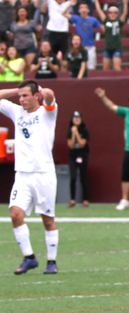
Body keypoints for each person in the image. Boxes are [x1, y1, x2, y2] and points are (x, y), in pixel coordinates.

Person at [0, 80, 60, 275]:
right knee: (15, 215)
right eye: (20, 96)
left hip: (44, 173)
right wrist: (17, 90)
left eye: (25, 95)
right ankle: (29, 257)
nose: (21, 99)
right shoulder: (17, 112)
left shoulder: (47, 112)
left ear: (36, 95)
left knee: (47, 219)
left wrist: (41, 90)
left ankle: (51, 261)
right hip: (23, 174)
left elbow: (50, 96)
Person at [94, 87, 129, 210]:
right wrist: (103, 97)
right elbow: (112, 107)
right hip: (128, 149)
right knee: (126, 176)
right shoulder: (127, 112)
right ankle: (125, 200)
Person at [65, 0, 103, 70]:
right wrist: (70, 4)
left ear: (88, 10)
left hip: (90, 46)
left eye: (85, 7)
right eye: (81, 8)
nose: (83, 9)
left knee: (91, 67)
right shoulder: (76, 18)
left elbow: (102, 28)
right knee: (79, 67)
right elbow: (63, 13)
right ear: (79, 10)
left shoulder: (93, 20)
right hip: (79, 47)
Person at [94, 0, 128, 70]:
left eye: (115, 12)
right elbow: (99, 10)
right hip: (108, 47)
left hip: (117, 47)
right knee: (105, 68)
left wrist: (125, 3)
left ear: (117, 14)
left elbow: (125, 13)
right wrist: (96, 1)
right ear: (108, 14)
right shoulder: (106, 20)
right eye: (111, 12)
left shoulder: (119, 21)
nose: (113, 14)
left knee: (117, 68)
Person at [66, 111, 90, 208]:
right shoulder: (69, 130)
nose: (76, 120)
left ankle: (85, 200)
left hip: (82, 155)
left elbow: (82, 144)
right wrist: (73, 134)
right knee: (73, 177)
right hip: (73, 156)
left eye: (78, 118)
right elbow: (71, 145)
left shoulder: (84, 130)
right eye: (75, 118)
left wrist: (76, 133)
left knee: (83, 178)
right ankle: (72, 199)